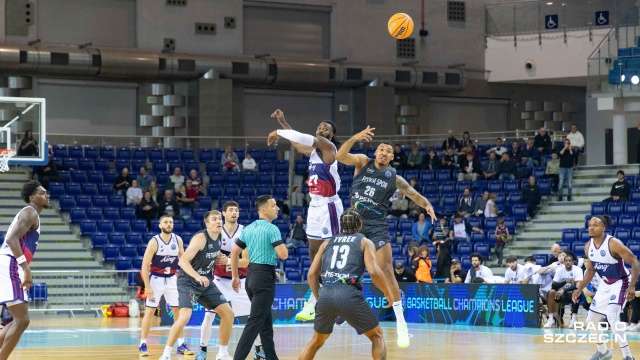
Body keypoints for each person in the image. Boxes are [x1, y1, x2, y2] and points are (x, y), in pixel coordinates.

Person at [336, 126, 437, 348]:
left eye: (387, 151)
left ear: (392, 157)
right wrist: (354, 137)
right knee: (346, 270)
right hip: (354, 224)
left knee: (384, 270)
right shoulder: (362, 162)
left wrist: (427, 205)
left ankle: (401, 323)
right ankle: (344, 308)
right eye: (380, 149)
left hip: (377, 225)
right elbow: (339, 156)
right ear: (376, 153)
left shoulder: (394, 177)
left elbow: (413, 194)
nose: (383, 152)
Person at [268, 109, 343, 322]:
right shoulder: (313, 152)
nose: (321, 128)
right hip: (315, 207)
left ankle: (337, 300)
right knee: (313, 251)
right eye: (320, 126)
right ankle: (319, 299)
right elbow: (298, 142)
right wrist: (284, 122)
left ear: (330, 134)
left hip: (329, 206)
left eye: (326, 128)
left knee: (329, 254)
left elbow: (302, 138)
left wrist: (278, 131)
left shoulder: (329, 148)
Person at [299, 209, 392, 360]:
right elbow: (374, 272)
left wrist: (319, 297)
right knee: (377, 336)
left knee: (316, 341)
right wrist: (388, 292)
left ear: (340, 225)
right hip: (348, 292)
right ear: (360, 225)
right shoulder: (364, 241)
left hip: (326, 293)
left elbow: (311, 275)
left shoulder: (327, 242)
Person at [159, 211, 235, 360]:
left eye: (219, 218)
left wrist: (221, 258)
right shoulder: (200, 238)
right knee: (184, 317)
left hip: (206, 282)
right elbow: (182, 262)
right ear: (207, 225)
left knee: (229, 314)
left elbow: (210, 255)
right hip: (188, 281)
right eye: (214, 219)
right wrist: (197, 276)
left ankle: (222, 353)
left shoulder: (220, 236)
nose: (219, 221)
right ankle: (166, 354)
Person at [198, 202, 262, 360]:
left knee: (253, 317)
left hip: (241, 281)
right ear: (223, 214)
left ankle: (259, 350)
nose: (234, 213)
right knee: (209, 316)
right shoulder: (216, 231)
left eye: (237, 210)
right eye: (231, 210)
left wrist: (227, 260)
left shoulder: (245, 231)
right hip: (219, 281)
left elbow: (246, 261)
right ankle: (203, 350)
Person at [230, 195, 289, 360]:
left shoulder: (248, 228)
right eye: (274, 205)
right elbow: (283, 255)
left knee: (265, 324)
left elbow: (235, 252)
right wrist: (283, 247)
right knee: (254, 323)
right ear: (263, 210)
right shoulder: (272, 229)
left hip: (251, 277)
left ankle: (272, 357)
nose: (277, 208)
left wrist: (235, 276)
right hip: (264, 280)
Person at [572, 215, 639, 360]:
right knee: (590, 321)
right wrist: (579, 289)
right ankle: (603, 351)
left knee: (612, 316)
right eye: (590, 224)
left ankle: (628, 356)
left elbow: (634, 262)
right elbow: (590, 271)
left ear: (603, 228)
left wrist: (632, 286)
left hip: (621, 282)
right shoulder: (588, 246)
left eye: (595, 225)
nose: (591, 227)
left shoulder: (613, 243)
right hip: (605, 284)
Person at [0, 181, 48, 359]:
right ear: (32, 197)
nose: (46, 195)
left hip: (9, 263)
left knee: (16, 321)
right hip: (11, 263)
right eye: (42, 193)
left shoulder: (32, 214)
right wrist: (25, 268)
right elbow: (12, 239)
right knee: (22, 321)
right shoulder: (30, 212)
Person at [138, 215, 188, 357]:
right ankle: (142, 343)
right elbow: (144, 265)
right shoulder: (154, 242)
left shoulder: (177, 240)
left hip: (172, 279)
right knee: (150, 312)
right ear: (160, 225)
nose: (168, 224)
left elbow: (183, 260)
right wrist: (147, 286)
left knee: (178, 312)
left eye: (171, 222)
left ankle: (181, 343)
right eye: (165, 222)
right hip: (156, 280)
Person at [544, 252, 584, 328]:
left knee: (576, 291)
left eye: (570, 261)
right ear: (564, 262)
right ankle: (551, 319)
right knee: (551, 291)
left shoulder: (578, 270)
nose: (568, 262)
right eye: (566, 261)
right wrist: (565, 281)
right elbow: (554, 285)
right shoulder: (559, 270)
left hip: (574, 294)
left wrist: (563, 290)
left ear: (573, 262)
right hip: (561, 295)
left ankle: (573, 319)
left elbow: (578, 285)